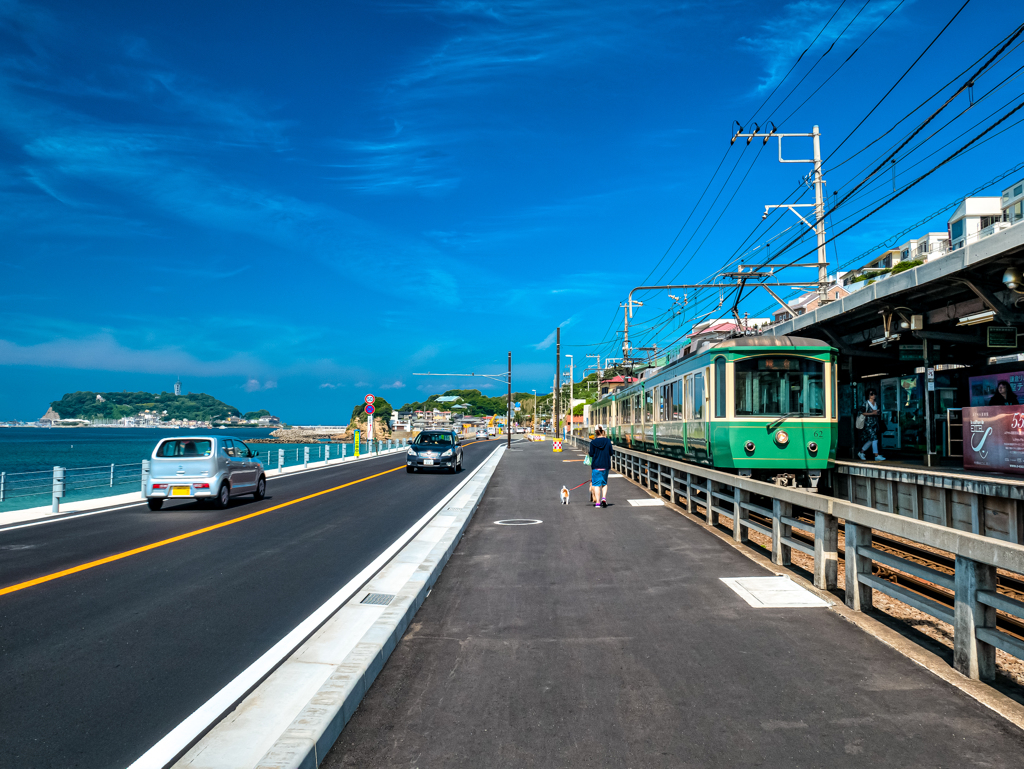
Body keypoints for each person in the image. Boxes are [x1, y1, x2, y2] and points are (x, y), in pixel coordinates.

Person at [587, 425, 613, 508]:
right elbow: (611, 453)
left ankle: (597, 502)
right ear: (603, 431)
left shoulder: (593, 442)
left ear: (595, 432)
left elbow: (591, 454)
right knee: (604, 483)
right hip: (605, 465)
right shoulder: (608, 441)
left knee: (597, 485)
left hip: (596, 466)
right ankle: (604, 498)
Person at [857, 389, 885, 462]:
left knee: (871, 440)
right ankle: (876, 455)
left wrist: (877, 413)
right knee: (875, 439)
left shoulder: (876, 403)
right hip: (868, 424)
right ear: (868, 395)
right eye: (871, 394)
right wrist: (872, 413)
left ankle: (861, 452)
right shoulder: (865, 403)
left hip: (875, 424)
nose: (873, 395)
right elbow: (862, 412)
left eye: (874, 394)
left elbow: (878, 412)